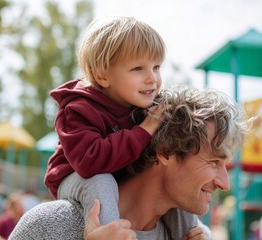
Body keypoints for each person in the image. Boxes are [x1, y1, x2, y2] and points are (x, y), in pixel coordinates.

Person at [9, 87, 251, 240]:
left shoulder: (195, 236)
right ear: (166, 152)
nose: (225, 183)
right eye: (213, 162)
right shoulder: (51, 225)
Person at [44, 16, 201, 239]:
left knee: (172, 180)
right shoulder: (78, 110)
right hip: (76, 176)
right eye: (138, 68)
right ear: (102, 75)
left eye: (156, 67)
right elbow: (90, 163)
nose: (152, 79)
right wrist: (144, 130)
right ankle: (111, 234)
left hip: (120, 173)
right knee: (102, 180)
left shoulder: (143, 105)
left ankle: (192, 233)